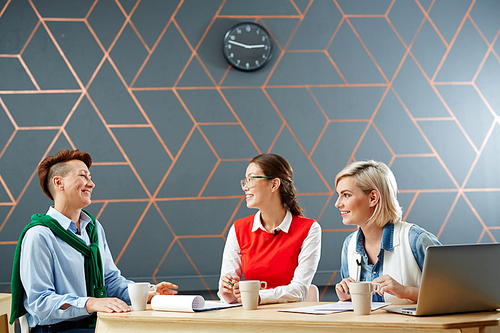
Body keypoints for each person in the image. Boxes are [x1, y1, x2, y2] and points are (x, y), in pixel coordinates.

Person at [10, 149, 178, 333]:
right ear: (59, 182)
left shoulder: (93, 228)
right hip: (55, 329)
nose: (91, 184)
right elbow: (39, 301)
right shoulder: (40, 235)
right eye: (83, 176)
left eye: (90, 177)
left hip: (95, 324)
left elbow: (110, 281)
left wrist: (147, 294)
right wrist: (90, 303)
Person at [218, 153, 321, 304]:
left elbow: (299, 290)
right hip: (250, 317)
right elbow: (229, 292)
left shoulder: (310, 229)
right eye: (245, 181)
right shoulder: (238, 229)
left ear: (274, 184)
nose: (245, 187)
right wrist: (227, 292)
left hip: (290, 319)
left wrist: (258, 296)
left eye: (251, 179)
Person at [334, 160, 441, 304]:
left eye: (346, 195)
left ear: (373, 198)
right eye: (339, 195)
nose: (338, 203)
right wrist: (348, 297)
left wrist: (405, 291)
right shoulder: (349, 245)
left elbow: (454, 294)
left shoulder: (416, 240)